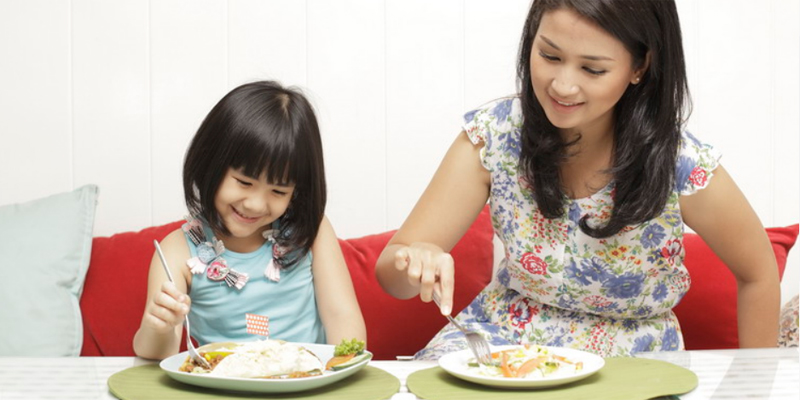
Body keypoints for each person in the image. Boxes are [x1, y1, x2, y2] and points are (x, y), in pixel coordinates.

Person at [375, 0, 780, 358]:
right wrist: (414, 260)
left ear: (640, 67)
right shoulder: (494, 135)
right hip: (504, 339)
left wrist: (757, 384)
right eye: (549, 56)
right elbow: (392, 276)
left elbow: (758, 273)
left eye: (592, 68)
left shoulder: (680, 162)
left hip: (633, 357)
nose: (563, 85)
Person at [134, 81, 365, 360]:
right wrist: (158, 327)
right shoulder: (177, 251)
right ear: (210, 165)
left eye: (278, 191)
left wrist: (342, 366)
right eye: (244, 182)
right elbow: (160, 352)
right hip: (226, 380)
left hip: (306, 377)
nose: (255, 204)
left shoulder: (311, 230)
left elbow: (342, 316)